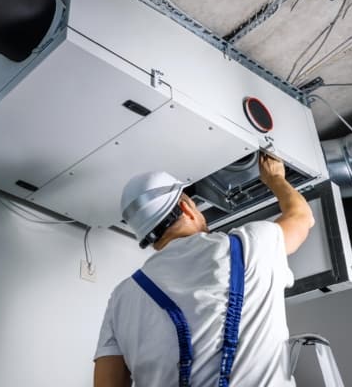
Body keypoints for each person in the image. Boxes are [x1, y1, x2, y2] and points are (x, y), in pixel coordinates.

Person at [93, 153, 315, 387]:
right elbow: (301, 217)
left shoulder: (121, 297)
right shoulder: (248, 246)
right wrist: (275, 178)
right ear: (186, 206)